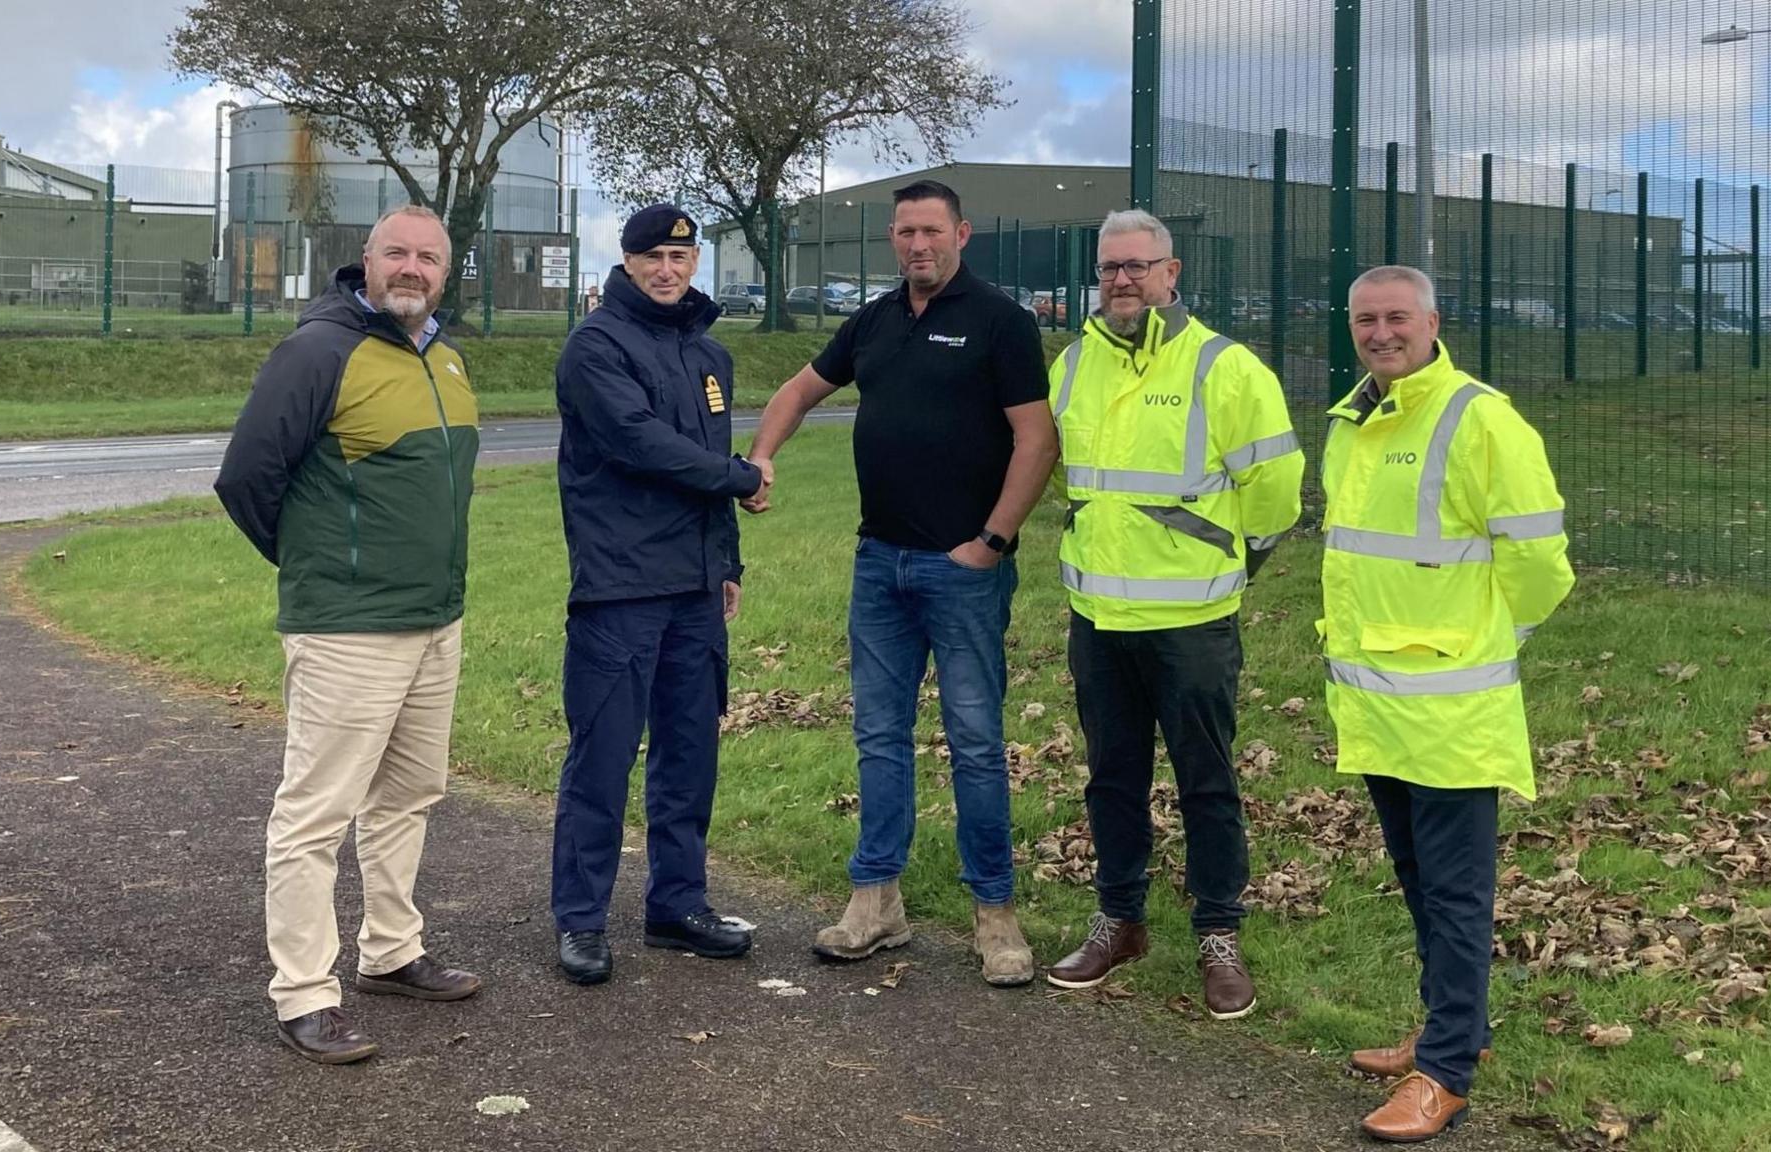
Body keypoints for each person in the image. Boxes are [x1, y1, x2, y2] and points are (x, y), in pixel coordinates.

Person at [746, 180, 1058, 986]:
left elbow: (1036, 439)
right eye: (905, 234)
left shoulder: (1001, 322)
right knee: (880, 739)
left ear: (962, 231)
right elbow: (797, 390)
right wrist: (762, 455)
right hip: (877, 567)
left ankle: (996, 916)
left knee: (977, 745)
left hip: (962, 572)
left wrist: (992, 541)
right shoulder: (876, 321)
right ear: (893, 239)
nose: (918, 246)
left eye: (932, 231)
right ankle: (876, 903)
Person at [214, 203, 482, 1065]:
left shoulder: (444, 355)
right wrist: (318, 568)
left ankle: (391, 951)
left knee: (409, 796)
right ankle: (302, 993)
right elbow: (246, 477)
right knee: (315, 815)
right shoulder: (318, 351)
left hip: (436, 620)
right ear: (363, 262)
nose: (412, 268)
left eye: (428, 257)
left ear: (447, 270)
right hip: (348, 630)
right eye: (395, 253)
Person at [1322, 265, 1574, 1142]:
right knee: (1420, 882)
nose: (1381, 333)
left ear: (1433, 321)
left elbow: (1540, 567)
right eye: (1365, 320)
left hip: (1453, 709)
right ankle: (1449, 1029)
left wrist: (1484, 636)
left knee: (1459, 896)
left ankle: (1447, 1075)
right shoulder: (1353, 420)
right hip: (1380, 703)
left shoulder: (1480, 419)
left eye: (1397, 318)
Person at [1037, 210, 1304, 1019]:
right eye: (1110, 267)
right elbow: (1064, 478)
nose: (1122, 280)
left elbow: (1277, 493)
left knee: (1206, 780)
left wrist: (1227, 561)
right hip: (1098, 618)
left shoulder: (1225, 368)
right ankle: (1119, 920)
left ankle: (1219, 933)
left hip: (1192, 623)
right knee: (1112, 778)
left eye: (1138, 266)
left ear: (1172, 271)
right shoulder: (1075, 363)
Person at [549, 204, 767, 986]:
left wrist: (728, 561)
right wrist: (744, 478)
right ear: (628, 261)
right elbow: (641, 444)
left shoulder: (709, 354)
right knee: (603, 758)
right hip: (620, 589)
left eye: (681, 257)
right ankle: (580, 919)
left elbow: (703, 457)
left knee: (689, 755)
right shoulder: (595, 346)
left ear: (695, 262)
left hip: (694, 589)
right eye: (652, 258)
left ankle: (678, 905)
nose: (667, 271)